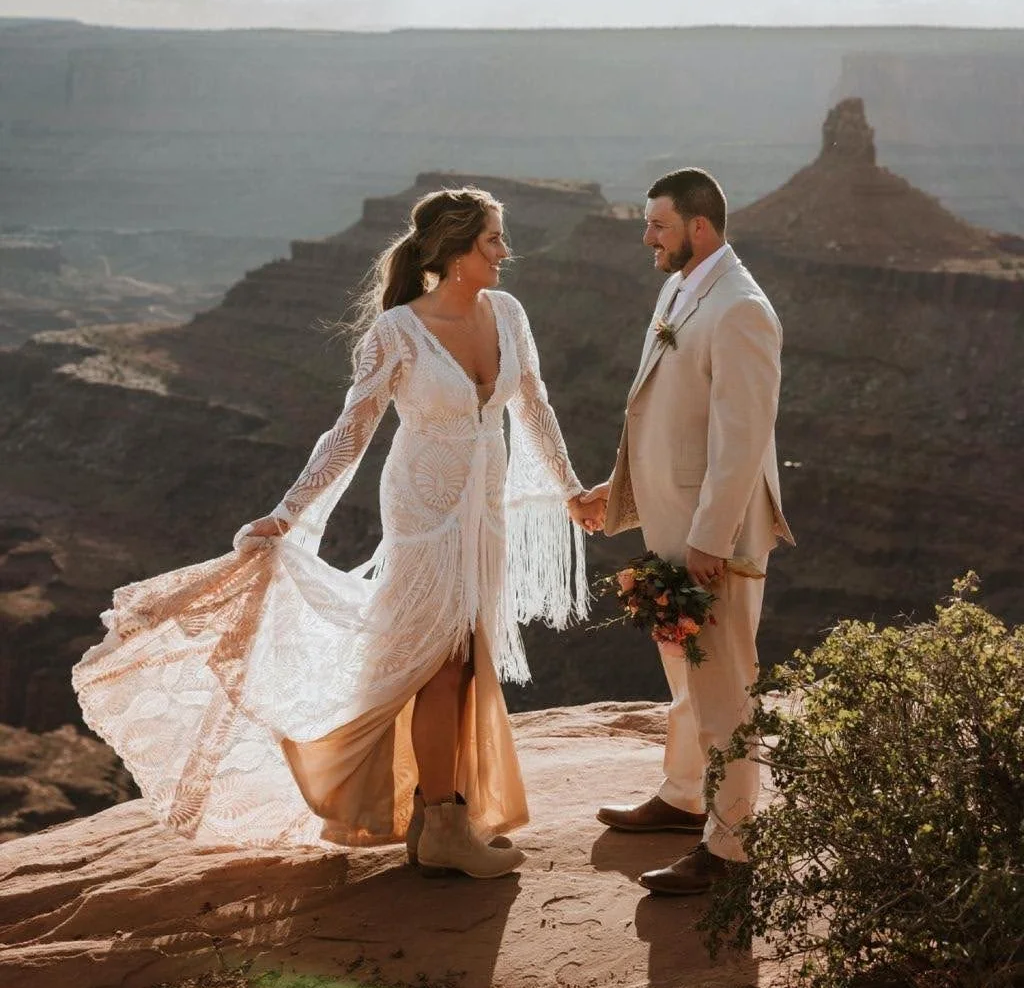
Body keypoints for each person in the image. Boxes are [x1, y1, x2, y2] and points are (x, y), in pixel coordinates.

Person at [74, 187, 598, 879]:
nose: (506, 251)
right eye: (493, 240)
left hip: (486, 511)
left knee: (468, 658)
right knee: (438, 660)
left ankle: (441, 815)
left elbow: (533, 402)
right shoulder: (397, 332)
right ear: (455, 249)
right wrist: (287, 512)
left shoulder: (508, 312)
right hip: (423, 511)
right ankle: (440, 822)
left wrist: (569, 490)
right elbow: (351, 430)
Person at [582, 168, 794, 894]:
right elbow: (664, 411)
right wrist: (619, 492)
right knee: (684, 673)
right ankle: (682, 796)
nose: (647, 236)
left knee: (724, 687)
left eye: (658, 225)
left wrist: (709, 536)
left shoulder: (741, 310)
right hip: (675, 520)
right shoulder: (681, 288)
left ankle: (733, 844)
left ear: (698, 228)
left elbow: (740, 439)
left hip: (716, 537)